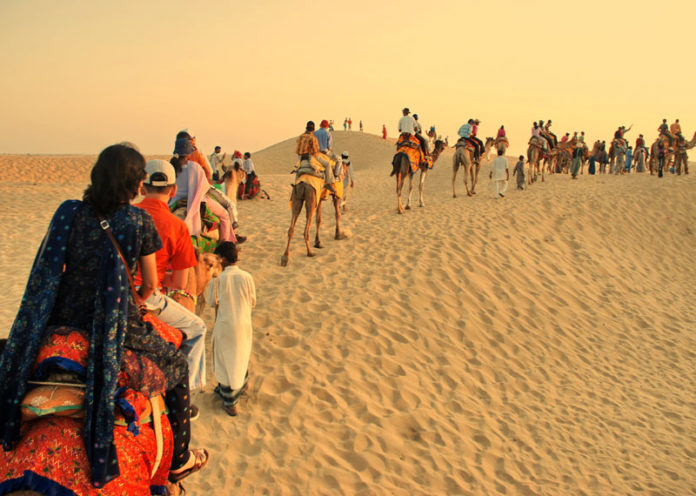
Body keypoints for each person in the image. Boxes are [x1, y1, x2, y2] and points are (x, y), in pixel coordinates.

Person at [0, 144, 207, 491]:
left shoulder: (68, 212)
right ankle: (180, 458)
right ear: (135, 185)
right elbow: (152, 283)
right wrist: (137, 303)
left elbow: (51, 265)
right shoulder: (138, 221)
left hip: (63, 315)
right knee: (177, 366)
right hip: (118, 322)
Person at [135, 159, 208, 391]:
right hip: (147, 296)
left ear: (141, 187)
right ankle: (186, 391)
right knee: (198, 328)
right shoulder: (177, 227)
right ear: (173, 190)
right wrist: (160, 277)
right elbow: (180, 282)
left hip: (114, 290)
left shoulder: (126, 214)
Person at [204, 242, 256, 417]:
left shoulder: (218, 280)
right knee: (240, 355)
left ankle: (230, 402)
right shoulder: (247, 276)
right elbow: (252, 301)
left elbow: (211, 301)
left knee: (224, 359)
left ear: (223, 259)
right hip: (244, 323)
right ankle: (240, 386)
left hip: (226, 323)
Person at [169, 155, 238, 243]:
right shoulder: (194, 166)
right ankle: (226, 242)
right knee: (225, 213)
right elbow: (206, 183)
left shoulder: (172, 168)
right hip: (198, 199)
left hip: (174, 201)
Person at [295, 121, 335, 192]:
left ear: (306, 128)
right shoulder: (313, 137)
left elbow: (297, 151)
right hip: (312, 156)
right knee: (327, 164)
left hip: (301, 158)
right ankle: (328, 183)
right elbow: (315, 151)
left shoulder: (300, 137)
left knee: (298, 169)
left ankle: (295, 185)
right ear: (313, 129)